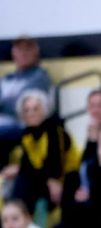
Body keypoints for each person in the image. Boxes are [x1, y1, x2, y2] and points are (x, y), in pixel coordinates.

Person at [1, 90, 78, 224]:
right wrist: (18, 169)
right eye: (27, 110)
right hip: (43, 177)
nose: (31, 113)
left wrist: (52, 180)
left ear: (44, 110)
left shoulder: (54, 129)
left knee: (25, 182)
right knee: (15, 181)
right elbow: (30, 163)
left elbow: (55, 165)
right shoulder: (28, 134)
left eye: (36, 109)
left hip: (67, 176)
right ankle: (15, 221)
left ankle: (22, 223)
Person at [0, 35, 51, 166]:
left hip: (21, 125)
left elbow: (24, 106)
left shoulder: (39, 76)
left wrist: (4, 104)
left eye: (28, 49)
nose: (23, 53)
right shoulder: (7, 79)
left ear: (36, 53)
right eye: (19, 49)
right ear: (13, 53)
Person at [79, 89, 101, 166]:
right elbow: (84, 166)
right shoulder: (92, 132)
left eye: (100, 106)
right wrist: (92, 140)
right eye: (92, 106)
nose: (95, 110)